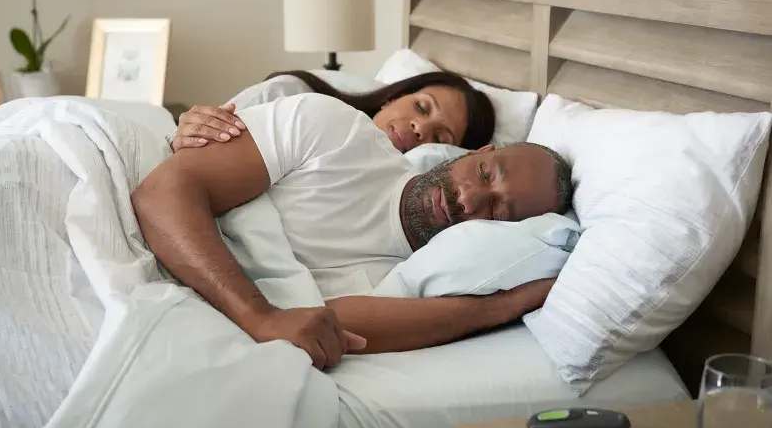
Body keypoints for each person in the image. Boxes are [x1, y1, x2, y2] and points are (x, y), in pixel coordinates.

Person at [132, 93, 573, 371]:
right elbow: (161, 193)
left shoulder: (417, 280)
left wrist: (506, 305)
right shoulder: (335, 130)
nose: (470, 198)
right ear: (476, 151)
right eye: (484, 172)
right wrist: (258, 317)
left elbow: (328, 329)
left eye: (498, 211)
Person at [167, 70, 495, 153]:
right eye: (422, 107)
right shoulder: (292, 97)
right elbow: (199, 152)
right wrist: (188, 134)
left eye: (440, 136)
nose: (420, 128)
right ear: (392, 98)